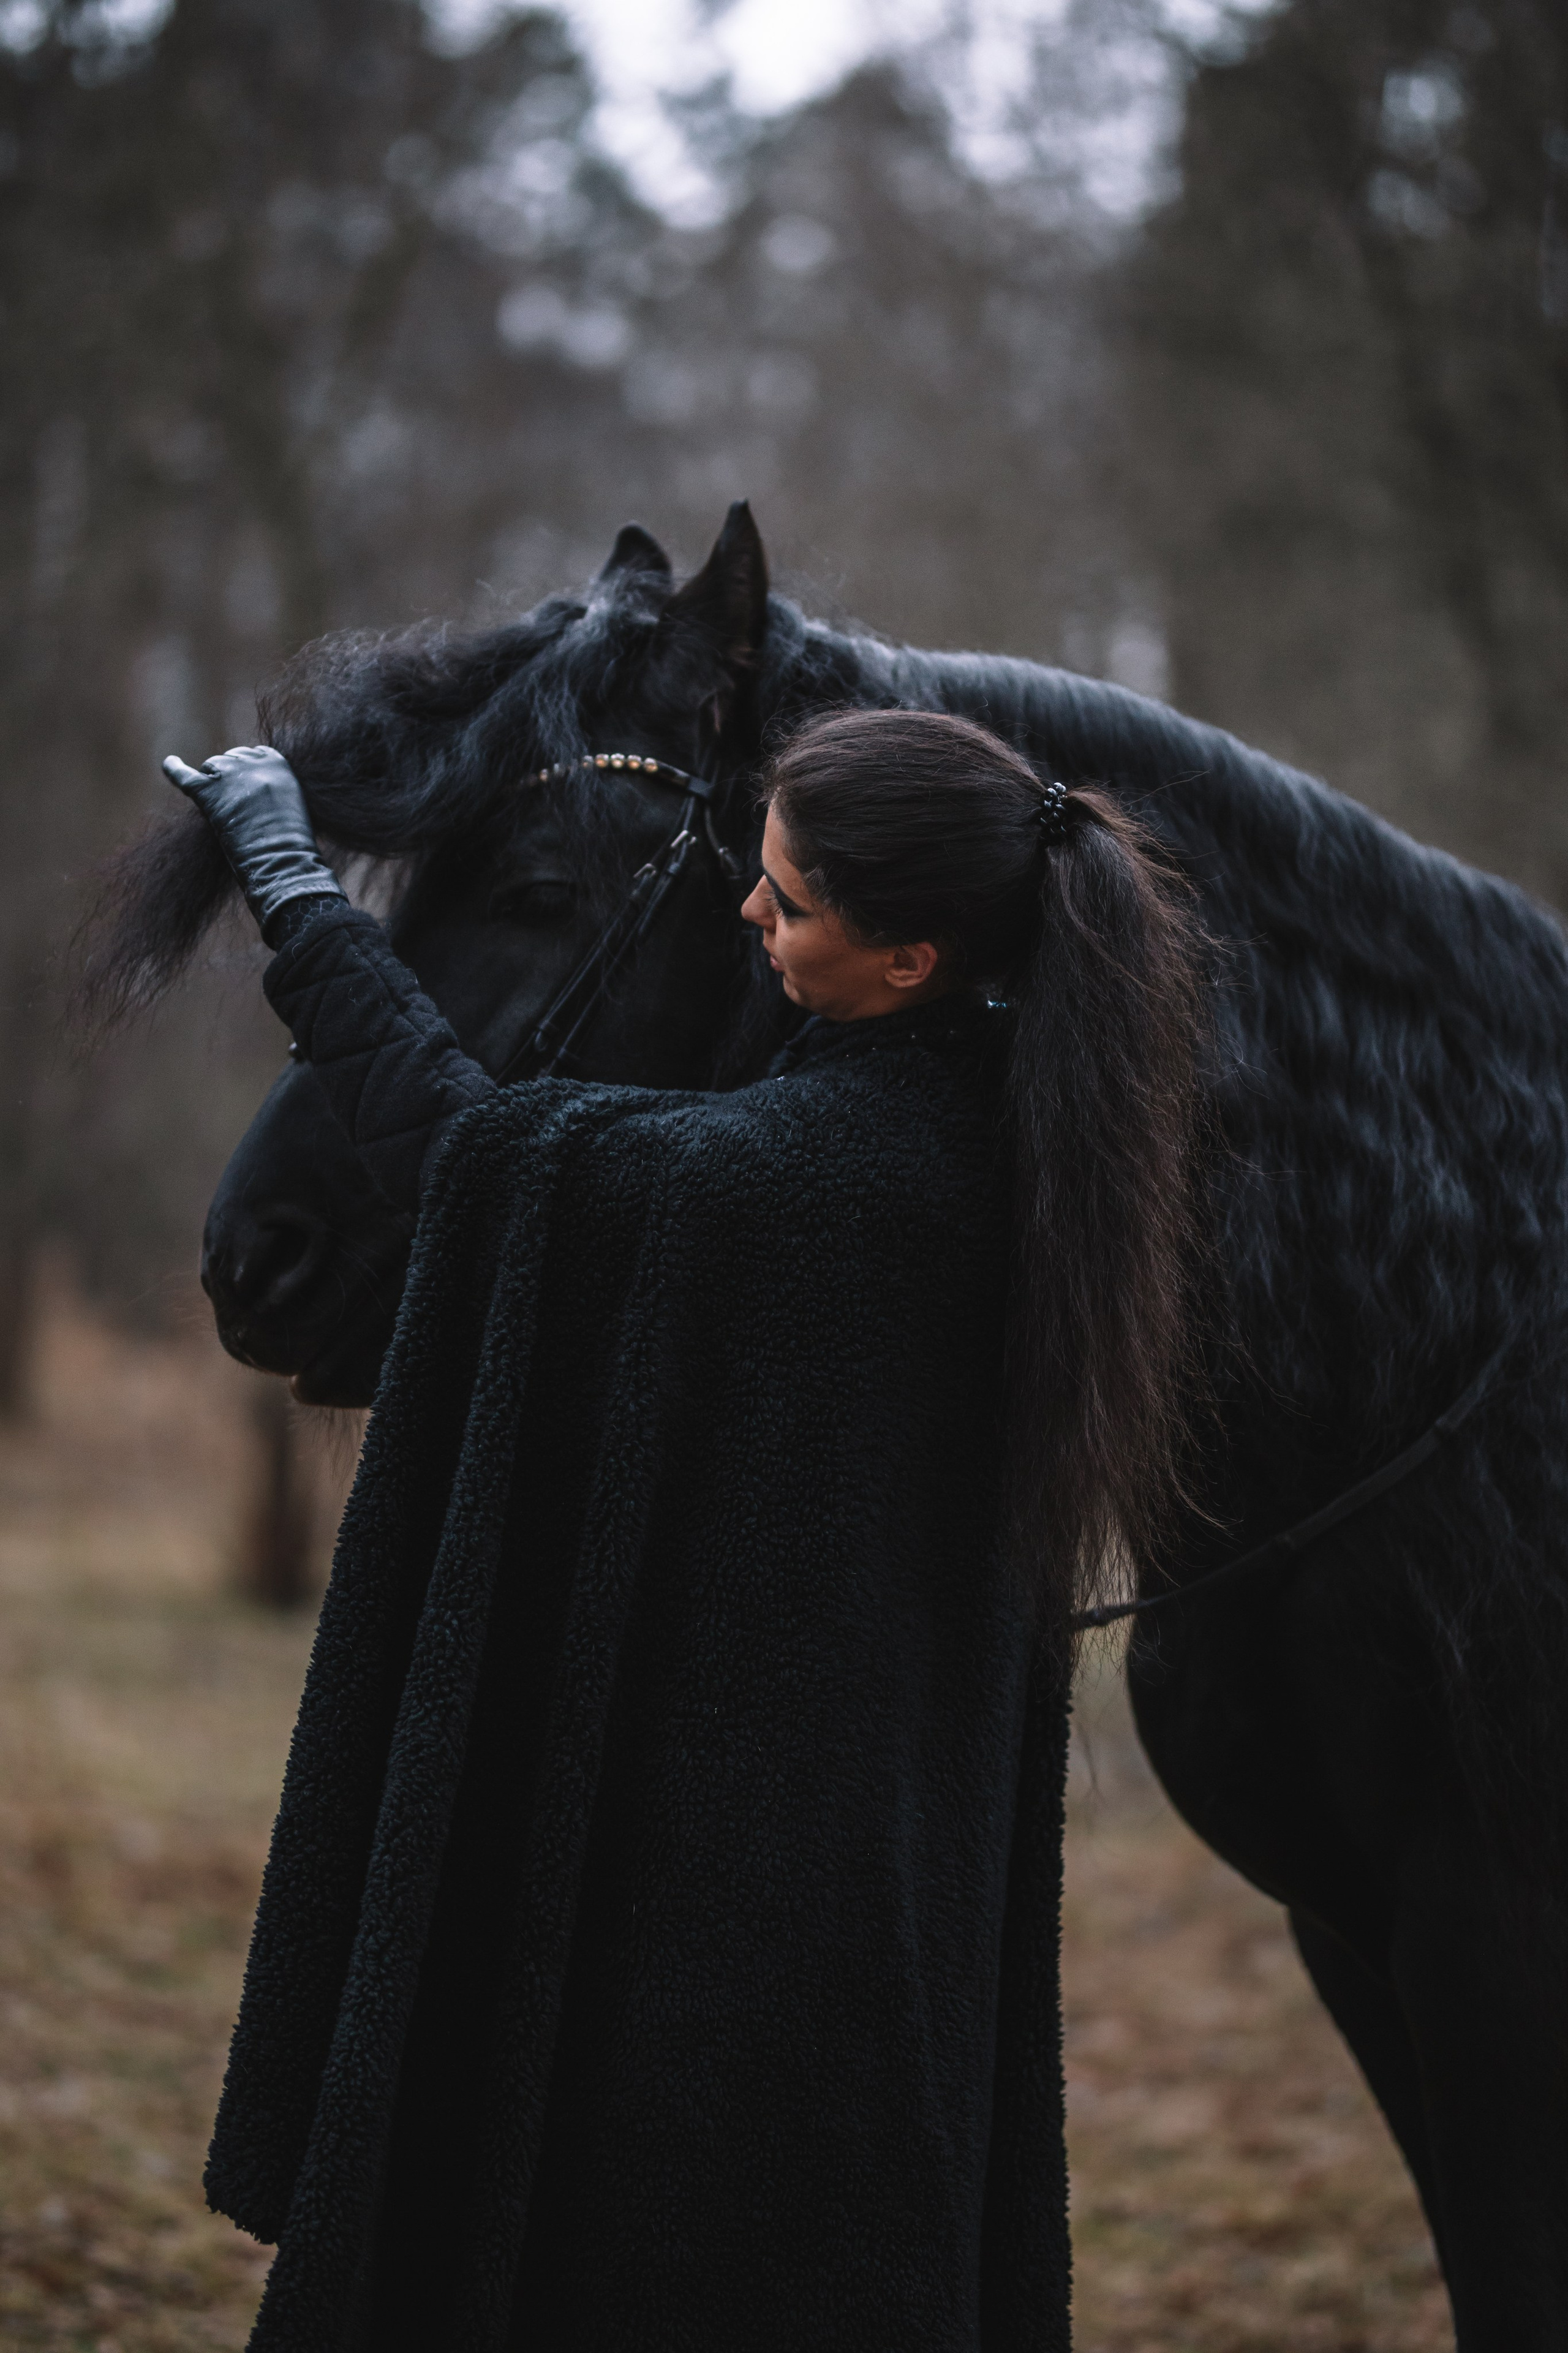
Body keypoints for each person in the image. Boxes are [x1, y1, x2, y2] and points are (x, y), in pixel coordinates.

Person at [165, 707, 1209, 2353]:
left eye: (790, 905)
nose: (751, 917)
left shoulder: (810, 1186)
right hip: (876, 1952)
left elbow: (482, 1154)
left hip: (728, 1996)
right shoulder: (1029, 1146)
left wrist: (296, 892)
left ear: (913, 958)